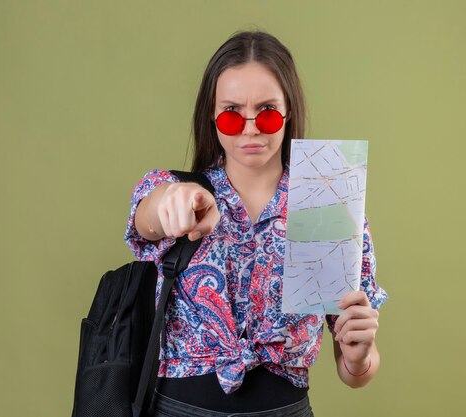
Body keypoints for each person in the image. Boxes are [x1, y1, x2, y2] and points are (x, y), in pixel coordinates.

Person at [125, 30, 388, 417]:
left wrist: (359, 356)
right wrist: (168, 201)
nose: (250, 129)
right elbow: (146, 218)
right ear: (213, 117)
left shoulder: (329, 205)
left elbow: (354, 372)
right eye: (232, 114)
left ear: (287, 112)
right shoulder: (181, 191)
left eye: (266, 112)